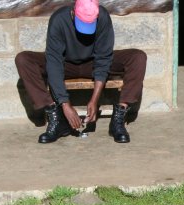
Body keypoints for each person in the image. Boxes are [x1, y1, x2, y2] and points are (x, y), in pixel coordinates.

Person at [15, 0, 147, 144]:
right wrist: (65, 104)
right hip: (66, 64)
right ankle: (56, 116)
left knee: (138, 57)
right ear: (73, 13)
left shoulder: (102, 17)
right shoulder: (59, 19)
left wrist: (94, 100)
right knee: (23, 59)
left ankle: (119, 118)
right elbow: (54, 63)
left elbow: (103, 59)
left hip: (92, 63)